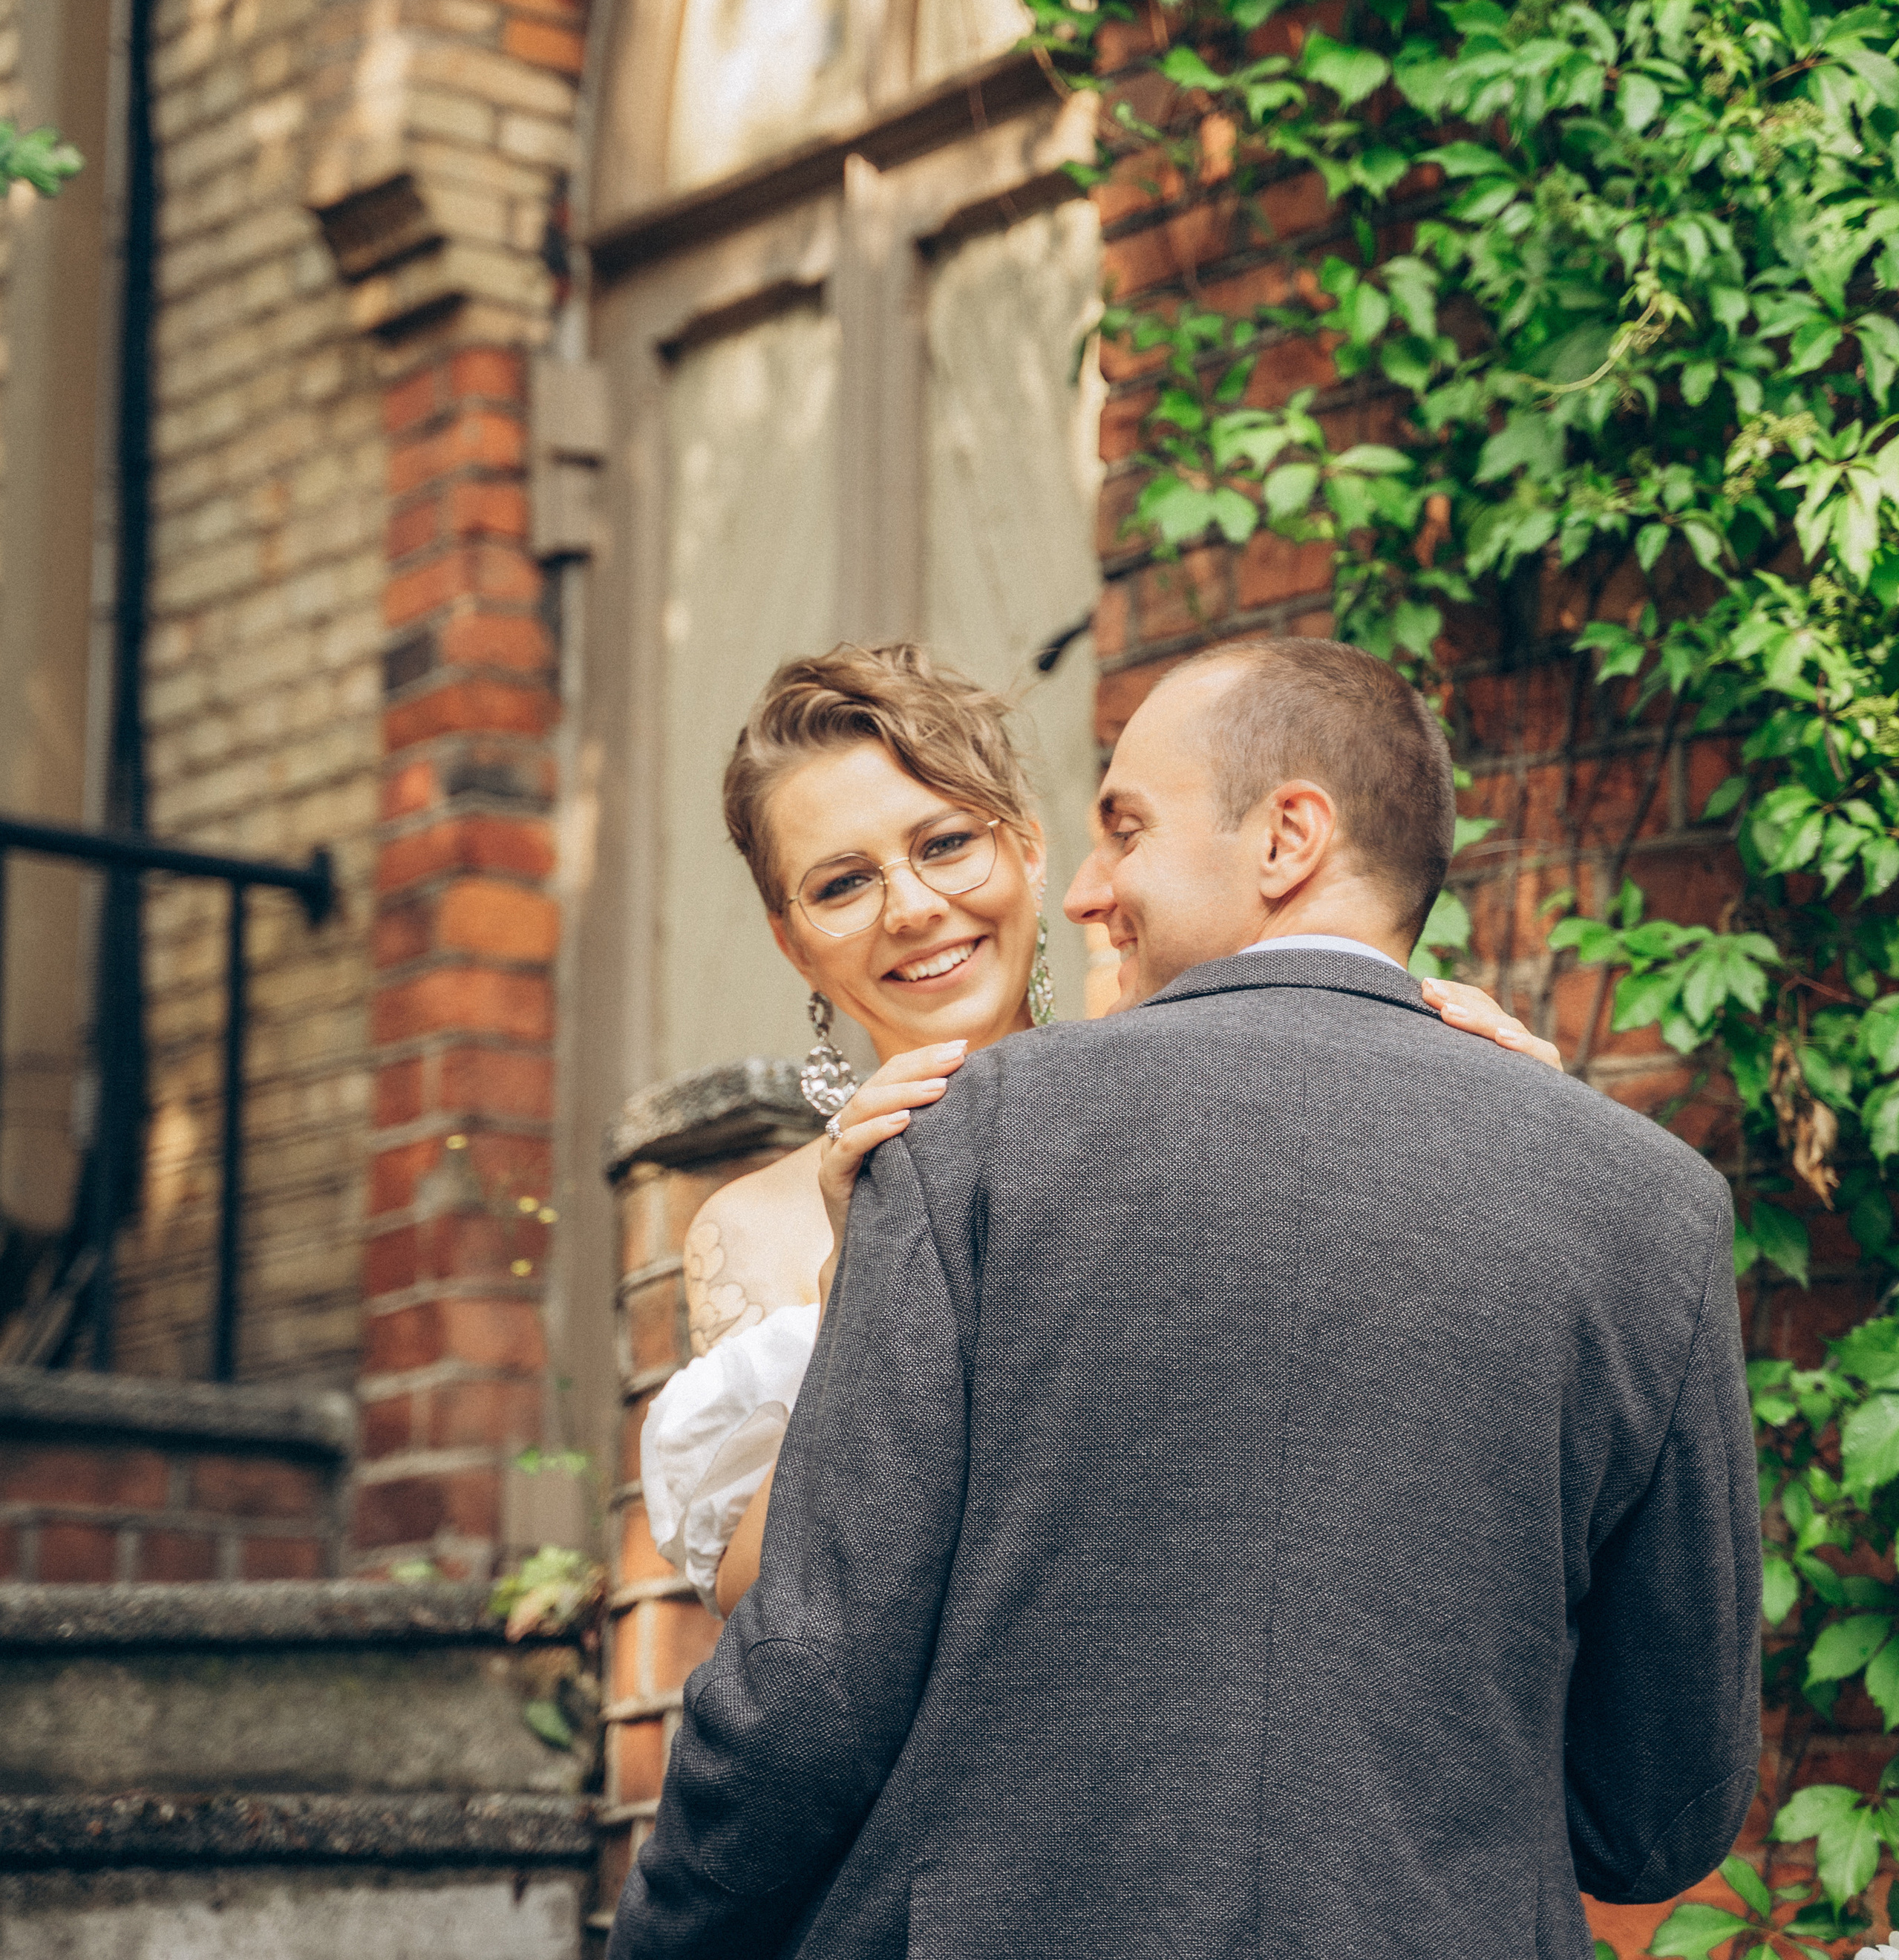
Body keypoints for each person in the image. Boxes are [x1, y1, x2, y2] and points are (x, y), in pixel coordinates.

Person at [415, 637, 1760, 1960]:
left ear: (1274, 840)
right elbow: (1652, 1818)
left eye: (1104, 832)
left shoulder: (973, 1150)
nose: (1075, 897)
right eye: (842, 881)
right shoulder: (1641, 1200)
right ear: (790, 932)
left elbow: (811, 1686)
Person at [643, 641, 1555, 1621]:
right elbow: (760, 1601)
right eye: (841, 885)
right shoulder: (758, 1228)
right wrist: (865, 1285)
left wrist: (1470, 1083)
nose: (912, 908)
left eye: (946, 844)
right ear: (791, 942)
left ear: (1031, 851)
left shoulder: (1184, 1066)